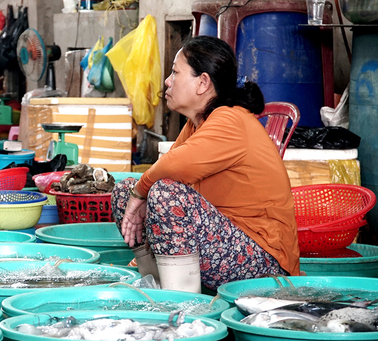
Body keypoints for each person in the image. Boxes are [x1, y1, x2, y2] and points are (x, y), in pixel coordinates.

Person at [115, 36, 299, 292]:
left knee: (164, 194)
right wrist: (137, 192)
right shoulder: (197, 123)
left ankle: (184, 304)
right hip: (223, 244)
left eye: (175, 72)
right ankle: (155, 283)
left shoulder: (230, 119)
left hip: (263, 260)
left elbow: (176, 165)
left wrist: (142, 190)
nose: (168, 81)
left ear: (203, 82)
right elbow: (166, 168)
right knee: (125, 190)